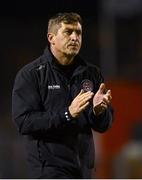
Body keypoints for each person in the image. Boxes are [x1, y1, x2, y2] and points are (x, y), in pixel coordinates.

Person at [12, 12, 113, 178]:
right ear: (51, 38)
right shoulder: (31, 75)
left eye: (78, 32)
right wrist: (67, 113)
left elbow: (103, 126)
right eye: (68, 32)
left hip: (84, 169)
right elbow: (24, 122)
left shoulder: (92, 73)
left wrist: (98, 112)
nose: (75, 37)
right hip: (48, 169)